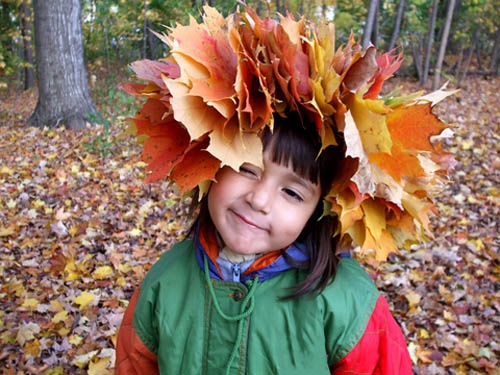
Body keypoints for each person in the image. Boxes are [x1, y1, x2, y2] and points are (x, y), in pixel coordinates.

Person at [115, 5, 453, 375]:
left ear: (322, 208)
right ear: (209, 162)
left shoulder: (346, 303)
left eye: (292, 193)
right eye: (246, 168)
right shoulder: (165, 283)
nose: (259, 200)